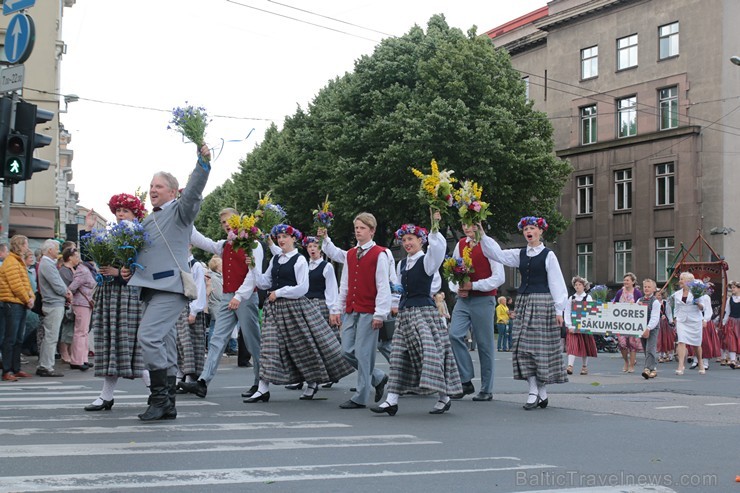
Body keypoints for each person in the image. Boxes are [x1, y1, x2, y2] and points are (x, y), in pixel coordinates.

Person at [122, 144, 210, 421]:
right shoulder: (148, 220)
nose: (153, 189)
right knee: (167, 344)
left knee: (148, 336)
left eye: (159, 186)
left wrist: (203, 163)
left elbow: (194, 191)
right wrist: (128, 270)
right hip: (151, 289)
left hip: (171, 287)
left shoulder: (180, 212)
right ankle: (168, 404)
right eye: (151, 186)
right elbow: (144, 254)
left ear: (173, 192)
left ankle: (158, 398)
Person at [244, 224, 353, 403]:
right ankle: (263, 388)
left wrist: (279, 292)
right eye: (279, 237)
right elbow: (264, 282)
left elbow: (302, 288)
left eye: (285, 237)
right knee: (269, 348)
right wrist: (254, 268)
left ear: (293, 239)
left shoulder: (300, 260)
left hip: (294, 309)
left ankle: (312, 382)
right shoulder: (276, 259)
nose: (281, 240)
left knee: (303, 348)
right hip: (274, 310)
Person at [370, 216, 461, 416]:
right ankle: (391, 400)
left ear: (421, 241)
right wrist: (393, 303)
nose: (407, 243)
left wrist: (435, 228)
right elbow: (399, 290)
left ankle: (444, 396)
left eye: (411, 239)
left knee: (429, 353)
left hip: (423, 313)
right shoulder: (401, 264)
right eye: (404, 240)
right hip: (405, 314)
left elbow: (437, 252)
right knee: (398, 355)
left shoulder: (427, 261)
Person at [479, 216, 568, 410]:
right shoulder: (520, 254)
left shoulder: (548, 255)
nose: (529, 231)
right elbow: (497, 254)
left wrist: (559, 310)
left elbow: (556, 283)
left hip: (542, 303)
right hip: (525, 302)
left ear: (540, 231)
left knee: (539, 349)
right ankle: (535, 390)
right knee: (522, 347)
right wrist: (482, 234)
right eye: (526, 228)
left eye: (533, 228)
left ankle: (539, 391)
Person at [178, 208, 263, 400]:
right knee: (216, 339)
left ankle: (260, 383)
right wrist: (186, 216)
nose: (226, 224)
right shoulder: (224, 245)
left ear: (240, 220)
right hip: (227, 296)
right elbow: (201, 240)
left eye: (229, 220)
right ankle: (202, 382)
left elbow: (253, 274)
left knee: (252, 342)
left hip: (246, 297)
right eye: (223, 222)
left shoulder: (254, 244)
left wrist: (239, 297)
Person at [85, 194, 149, 412]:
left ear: (135, 214)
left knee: (129, 344)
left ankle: (157, 392)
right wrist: (90, 230)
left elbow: (142, 268)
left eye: (126, 211)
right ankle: (106, 396)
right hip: (109, 294)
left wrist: (118, 274)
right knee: (111, 346)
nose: (121, 214)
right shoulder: (113, 234)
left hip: (126, 296)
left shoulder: (136, 235)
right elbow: (93, 256)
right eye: (118, 211)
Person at [329, 212, 391, 409]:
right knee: (346, 350)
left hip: (369, 310)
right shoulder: (350, 254)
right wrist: (338, 308)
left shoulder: (380, 253)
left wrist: (380, 313)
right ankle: (378, 377)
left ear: (371, 231)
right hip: (351, 308)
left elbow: (383, 285)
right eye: (356, 227)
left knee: (364, 354)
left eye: (362, 227)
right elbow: (345, 283)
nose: (358, 231)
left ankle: (361, 396)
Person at [448, 223, 505, 402]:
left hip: (484, 298)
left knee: (484, 343)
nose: (466, 228)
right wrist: (457, 288)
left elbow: (499, 277)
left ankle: (486, 389)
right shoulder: (461, 244)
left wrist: (474, 285)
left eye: (471, 224)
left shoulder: (489, 245)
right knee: (454, 334)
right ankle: (465, 380)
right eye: (464, 224)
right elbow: (452, 273)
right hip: (464, 300)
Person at [0, 235, 35, 381]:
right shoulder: (11, 262)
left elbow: (25, 283)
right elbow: (16, 286)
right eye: (25, 244)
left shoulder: (17, 261)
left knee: (18, 338)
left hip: (18, 303)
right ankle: (7, 370)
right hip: (12, 303)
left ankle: (16, 368)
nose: (27, 247)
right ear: (19, 246)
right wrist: (28, 299)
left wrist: (31, 297)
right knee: (10, 338)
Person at [36, 239, 72, 377]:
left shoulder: (46, 263)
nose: (58, 251)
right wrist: (67, 293)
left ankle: (44, 365)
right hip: (53, 303)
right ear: (50, 250)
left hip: (52, 303)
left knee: (49, 337)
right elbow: (57, 284)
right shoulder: (47, 264)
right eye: (56, 248)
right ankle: (47, 366)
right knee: (51, 337)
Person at [175, 249, 207, 386]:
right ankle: (180, 374)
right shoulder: (177, 263)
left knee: (190, 344)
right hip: (179, 306)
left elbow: (199, 289)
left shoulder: (196, 265)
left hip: (190, 306)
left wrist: (194, 311)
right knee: (179, 343)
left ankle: (189, 377)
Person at [668, 272, 711, 375]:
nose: (680, 281)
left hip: (694, 320)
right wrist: (675, 318)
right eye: (680, 279)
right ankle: (680, 366)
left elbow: (703, 308)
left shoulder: (697, 292)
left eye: (682, 279)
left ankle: (700, 362)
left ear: (688, 281)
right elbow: (676, 307)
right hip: (682, 320)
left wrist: (697, 303)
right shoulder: (677, 294)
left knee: (696, 344)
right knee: (681, 341)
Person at [65, 247, 96, 371]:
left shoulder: (86, 269)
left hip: (85, 303)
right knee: (81, 332)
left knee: (83, 332)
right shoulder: (83, 270)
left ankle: (83, 359)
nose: (78, 258)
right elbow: (72, 287)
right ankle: (77, 360)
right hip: (81, 303)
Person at [563, 276, 597, 375]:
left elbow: (591, 311)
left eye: (580, 285)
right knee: (572, 346)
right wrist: (569, 325)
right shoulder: (571, 298)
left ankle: (584, 366)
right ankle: (570, 366)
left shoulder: (588, 297)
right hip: (573, 326)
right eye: (576, 285)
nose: (577, 287)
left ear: (584, 286)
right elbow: (567, 312)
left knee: (585, 346)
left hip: (584, 326)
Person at [613, 273, 643, 373]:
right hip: (621, 322)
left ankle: (631, 364)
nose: (625, 282)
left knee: (632, 343)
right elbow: (614, 304)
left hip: (633, 323)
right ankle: (626, 361)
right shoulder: (620, 292)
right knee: (622, 343)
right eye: (625, 280)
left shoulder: (637, 293)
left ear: (633, 282)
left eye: (628, 280)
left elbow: (641, 306)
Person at [637, 278, 661, 379]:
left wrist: (648, 328)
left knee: (651, 348)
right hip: (641, 327)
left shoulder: (655, 302)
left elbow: (655, 317)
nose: (646, 289)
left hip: (652, 328)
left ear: (654, 289)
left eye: (649, 287)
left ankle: (647, 369)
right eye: (645, 287)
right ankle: (653, 368)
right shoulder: (639, 300)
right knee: (645, 348)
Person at [721, 281, 740, 369]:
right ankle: (733, 360)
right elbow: (727, 312)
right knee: (732, 340)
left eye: (734, 287)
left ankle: (738, 359)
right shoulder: (730, 299)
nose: (732, 289)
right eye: (731, 288)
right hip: (732, 321)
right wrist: (724, 322)